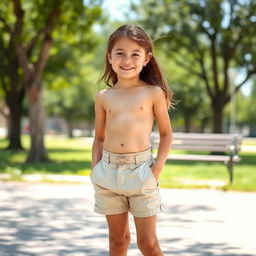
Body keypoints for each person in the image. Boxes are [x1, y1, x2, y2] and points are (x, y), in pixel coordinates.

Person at [90, 24, 173, 256]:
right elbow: (99, 137)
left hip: (141, 172)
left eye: (135, 54)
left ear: (146, 58)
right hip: (107, 172)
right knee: (118, 242)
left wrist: (155, 171)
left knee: (147, 244)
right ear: (109, 57)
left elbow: (167, 134)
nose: (127, 60)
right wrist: (95, 169)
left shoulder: (153, 93)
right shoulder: (103, 97)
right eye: (120, 53)